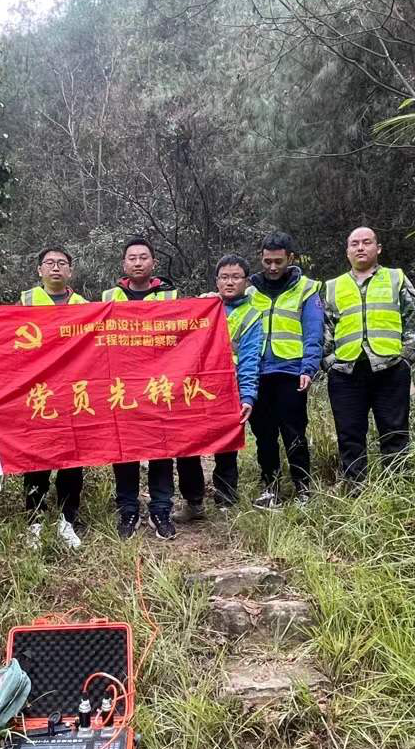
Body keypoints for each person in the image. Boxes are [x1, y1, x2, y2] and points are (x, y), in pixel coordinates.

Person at [322, 226, 415, 486]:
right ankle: (356, 490)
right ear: (347, 251)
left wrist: (405, 358)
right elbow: (324, 329)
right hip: (346, 374)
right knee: (349, 435)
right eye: (354, 243)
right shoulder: (333, 286)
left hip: (390, 370)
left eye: (366, 242)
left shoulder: (396, 278)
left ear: (377, 248)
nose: (360, 248)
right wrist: (329, 363)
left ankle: (397, 489)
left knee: (395, 432)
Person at [175, 254, 263, 520]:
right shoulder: (203, 305)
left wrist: (248, 394)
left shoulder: (251, 314)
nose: (229, 282)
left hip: (229, 388)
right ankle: (193, 501)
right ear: (216, 280)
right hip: (194, 387)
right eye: (224, 277)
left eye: (236, 277)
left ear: (246, 281)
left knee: (226, 446)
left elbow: (250, 358)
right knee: (187, 445)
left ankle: (226, 500)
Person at [102, 237, 179, 540]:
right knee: (124, 448)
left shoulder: (170, 294)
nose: (137, 262)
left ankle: (161, 509)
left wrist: (210, 300)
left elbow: (189, 327)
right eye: (132, 258)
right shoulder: (110, 296)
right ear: (124, 264)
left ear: (153, 263)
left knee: (162, 445)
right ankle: (128, 509)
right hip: (121, 384)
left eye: (143, 257)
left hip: (161, 382)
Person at [247, 231, 323, 508]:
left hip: (292, 372)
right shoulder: (250, 289)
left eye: (279, 261)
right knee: (263, 433)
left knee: (294, 431)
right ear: (261, 258)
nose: (272, 267)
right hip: (256, 373)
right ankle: (271, 486)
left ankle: (303, 487)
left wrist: (309, 367)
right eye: (267, 261)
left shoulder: (306, 288)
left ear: (290, 258)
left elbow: (314, 333)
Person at [20, 246, 88, 548]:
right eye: (49, 263)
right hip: (39, 392)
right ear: (39, 270)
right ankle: (34, 519)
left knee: (73, 459)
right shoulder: (24, 302)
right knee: (37, 458)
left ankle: (67, 520)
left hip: (74, 392)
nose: (56, 268)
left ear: (70, 270)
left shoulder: (85, 305)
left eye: (62, 263)